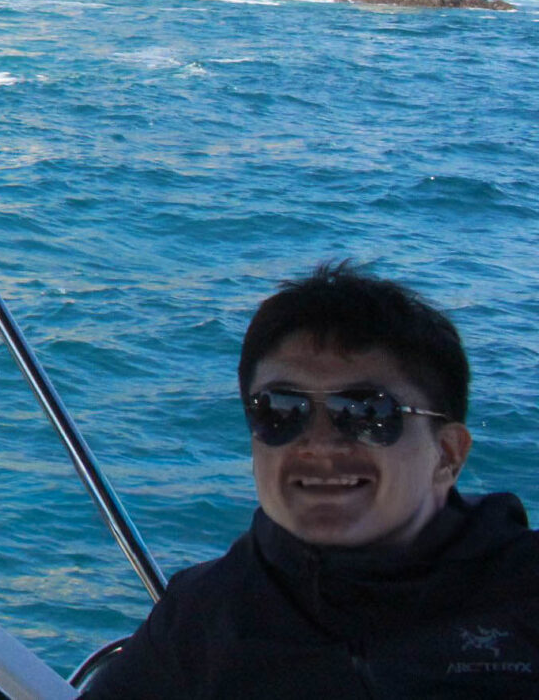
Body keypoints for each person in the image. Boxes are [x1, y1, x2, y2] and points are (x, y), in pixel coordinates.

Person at [85, 263, 539, 698]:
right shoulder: (201, 617)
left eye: (366, 412)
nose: (318, 446)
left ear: (448, 454)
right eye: (280, 411)